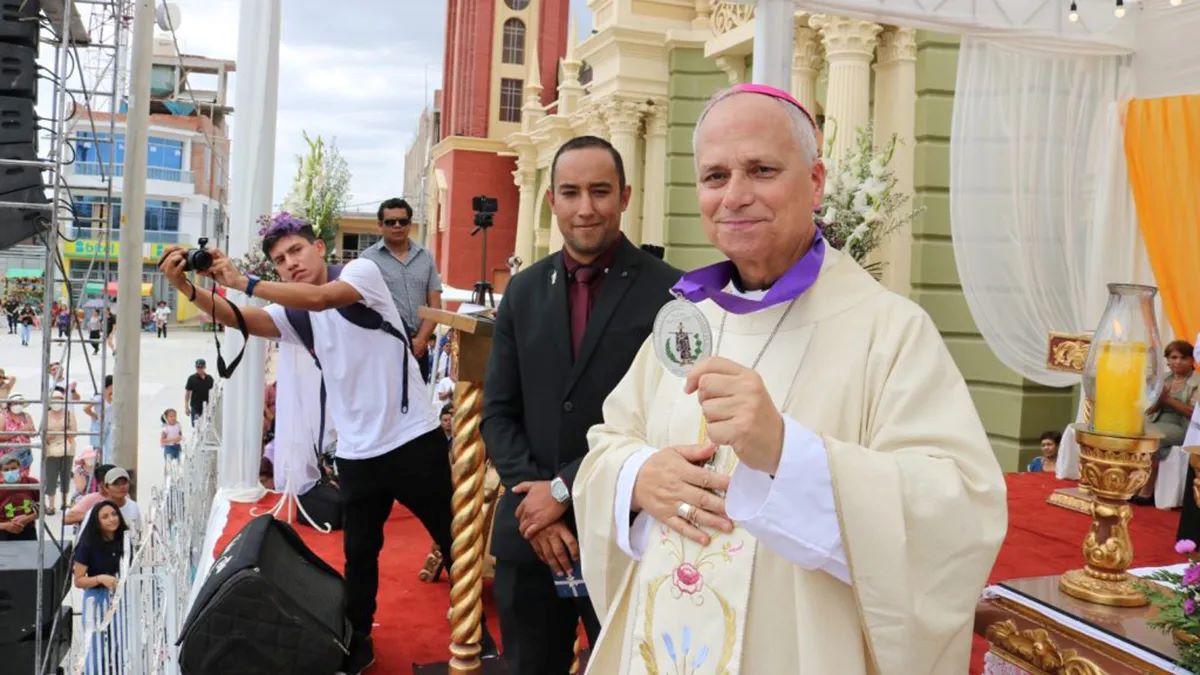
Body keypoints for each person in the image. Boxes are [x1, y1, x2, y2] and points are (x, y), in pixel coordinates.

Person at [571, 85, 1006, 674]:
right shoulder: (689, 321)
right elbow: (607, 446)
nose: (735, 196)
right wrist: (637, 477)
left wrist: (786, 453)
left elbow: (957, 515)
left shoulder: (889, 329)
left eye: (762, 170)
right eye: (715, 176)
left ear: (816, 180)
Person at [157, 213, 493, 673]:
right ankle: (356, 642)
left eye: (296, 250)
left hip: (413, 436)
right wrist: (186, 287)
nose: (290, 263)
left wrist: (245, 279)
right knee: (360, 555)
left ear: (319, 247)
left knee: (454, 541)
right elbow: (242, 319)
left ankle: (481, 638)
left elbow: (321, 298)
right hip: (356, 452)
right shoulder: (293, 311)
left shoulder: (362, 273)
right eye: (280, 260)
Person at [481, 135, 682, 674]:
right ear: (552, 201)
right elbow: (498, 412)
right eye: (571, 192)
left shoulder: (673, 295)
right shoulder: (522, 292)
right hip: (529, 534)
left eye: (600, 191)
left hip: (625, 531)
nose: (585, 207)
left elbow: (670, 421)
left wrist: (564, 490)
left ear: (625, 196)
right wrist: (537, 506)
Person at [359, 197, 443, 383]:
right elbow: (361, 306)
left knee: (417, 409)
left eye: (402, 221)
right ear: (380, 225)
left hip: (418, 348)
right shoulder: (367, 259)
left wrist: (421, 341)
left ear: (409, 224)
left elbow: (435, 305)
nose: (397, 226)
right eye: (390, 222)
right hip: (382, 346)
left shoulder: (426, 257)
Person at [1135, 339, 1199, 504]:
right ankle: (1132, 483)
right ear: (1168, 360)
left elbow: (1193, 413)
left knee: (1152, 437)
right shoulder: (1163, 378)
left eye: (1183, 358)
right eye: (1173, 357)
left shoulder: (1197, 381)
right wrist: (1157, 400)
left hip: (1183, 426)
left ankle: (1147, 489)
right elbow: (1151, 408)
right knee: (1133, 431)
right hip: (1157, 420)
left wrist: (1167, 399)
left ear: (1192, 360)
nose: (1177, 362)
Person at [72, 499, 129, 675]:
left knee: (123, 643)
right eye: (105, 517)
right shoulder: (87, 545)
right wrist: (100, 579)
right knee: (95, 648)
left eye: (114, 514)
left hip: (122, 596)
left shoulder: (125, 540)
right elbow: (79, 580)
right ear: (97, 522)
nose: (112, 519)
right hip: (97, 598)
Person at [66, 465, 141, 539]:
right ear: (105, 486)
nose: (121, 487)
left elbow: (138, 533)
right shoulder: (94, 505)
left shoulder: (133, 505)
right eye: (116, 483)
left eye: (124, 483)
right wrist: (95, 516)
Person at [42, 388, 77, 514]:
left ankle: (64, 501)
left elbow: (74, 431)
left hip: (67, 449)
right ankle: (51, 505)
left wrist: (63, 434)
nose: (56, 402)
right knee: (51, 477)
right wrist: (49, 437)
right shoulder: (46, 415)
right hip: (51, 450)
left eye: (59, 399)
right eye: (54, 400)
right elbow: (42, 432)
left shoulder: (69, 414)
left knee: (65, 475)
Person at [0, 451, 39, 541]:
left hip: (28, 529)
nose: (10, 472)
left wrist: (27, 518)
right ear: (1, 472)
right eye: (6, 470)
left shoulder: (32, 483)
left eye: (13, 468)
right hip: (3, 533)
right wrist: (7, 526)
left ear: (20, 468)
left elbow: (42, 508)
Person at [83, 376, 114, 462]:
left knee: (109, 450)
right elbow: (86, 408)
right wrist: (93, 414)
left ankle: (107, 467)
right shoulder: (99, 397)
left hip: (109, 425)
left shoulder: (114, 397)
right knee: (97, 450)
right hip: (98, 425)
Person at [1, 394, 34, 469]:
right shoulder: (3, 417)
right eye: (15, 403)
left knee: (23, 478)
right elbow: (1, 437)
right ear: (9, 405)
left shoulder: (27, 416)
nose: (18, 405)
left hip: (24, 454)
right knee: (9, 477)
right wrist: (20, 431)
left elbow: (33, 433)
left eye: (20, 403)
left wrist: (30, 431)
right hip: (8, 456)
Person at [184, 359, 214, 425]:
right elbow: (187, 393)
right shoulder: (191, 378)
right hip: (195, 406)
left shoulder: (210, 378)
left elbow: (213, 392)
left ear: (205, 367)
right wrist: (186, 407)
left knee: (207, 425)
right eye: (198, 367)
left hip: (207, 406)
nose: (199, 369)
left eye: (201, 367)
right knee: (196, 425)